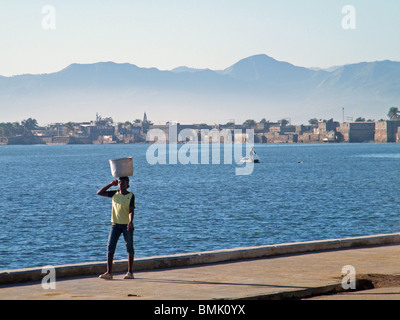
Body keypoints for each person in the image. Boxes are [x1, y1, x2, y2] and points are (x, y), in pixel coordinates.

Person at [97, 177, 135, 280]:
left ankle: (130, 272)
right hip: (115, 225)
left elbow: (131, 210)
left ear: (127, 184)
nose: (121, 184)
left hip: (127, 225)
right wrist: (110, 184)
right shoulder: (114, 193)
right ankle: (109, 273)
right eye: (119, 182)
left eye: (123, 182)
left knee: (129, 248)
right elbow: (99, 192)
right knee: (110, 247)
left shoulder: (131, 196)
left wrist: (130, 222)